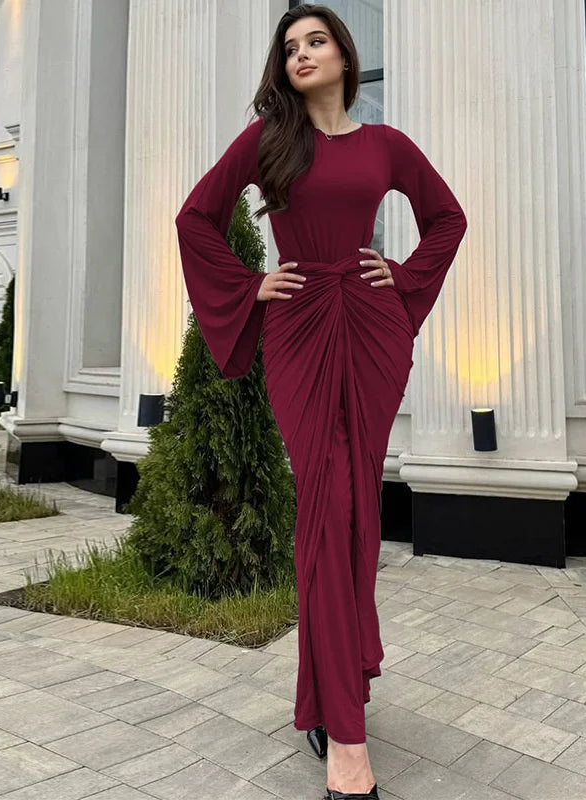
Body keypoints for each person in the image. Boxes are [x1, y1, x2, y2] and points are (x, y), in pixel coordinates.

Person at [175, 5, 467, 798]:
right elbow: (195, 218)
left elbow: (448, 219)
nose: (301, 54)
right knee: (327, 504)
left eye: (315, 41)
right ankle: (345, 735)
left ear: (344, 54)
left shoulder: (387, 145)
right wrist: (250, 285)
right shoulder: (268, 141)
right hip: (300, 328)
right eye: (289, 47)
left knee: (360, 509)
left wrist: (402, 276)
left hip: (372, 329)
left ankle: (327, 690)